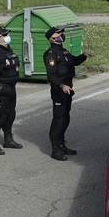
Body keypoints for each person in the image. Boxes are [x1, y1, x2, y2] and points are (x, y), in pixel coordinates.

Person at [44, 25, 87, 162]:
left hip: (68, 88)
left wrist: (85, 56)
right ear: (53, 38)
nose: (62, 35)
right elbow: (51, 75)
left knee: (65, 117)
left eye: (62, 33)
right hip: (59, 90)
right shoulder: (51, 54)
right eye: (59, 34)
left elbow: (74, 61)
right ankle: (55, 149)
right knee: (58, 118)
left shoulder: (64, 52)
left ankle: (62, 145)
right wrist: (62, 85)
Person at [0, 26, 22, 155]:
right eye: (5, 35)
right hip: (1, 87)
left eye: (7, 34)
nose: (8, 36)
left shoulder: (7, 49)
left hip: (11, 87)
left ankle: (8, 139)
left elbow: (15, 63)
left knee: (10, 114)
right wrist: (5, 64)